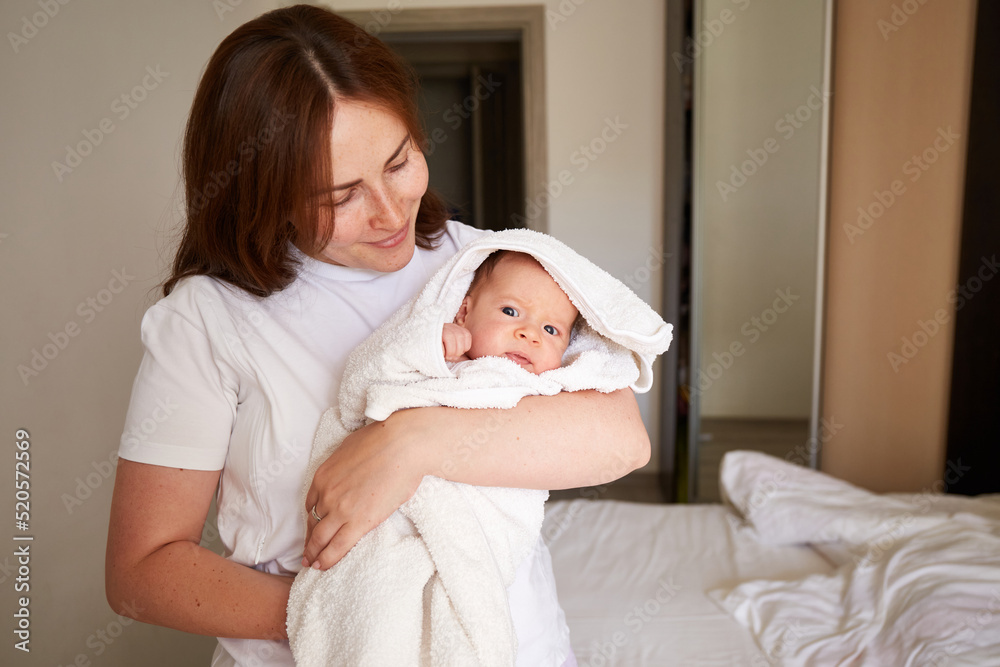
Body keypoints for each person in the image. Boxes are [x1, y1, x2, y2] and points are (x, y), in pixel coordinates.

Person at [104, 5, 650, 667]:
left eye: (399, 162)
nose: (391, 214)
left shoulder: (487, 266)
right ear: (264, 193)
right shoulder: (208, 320)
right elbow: (141, 571)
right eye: (340, 196)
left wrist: (408, 443)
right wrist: (363, 617)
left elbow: (622, 439)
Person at [443, 250, 580, 374]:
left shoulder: (559, 385)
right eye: (510, 312)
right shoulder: (445, 355)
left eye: (550, 330)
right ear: (464, 313)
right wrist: (436, 340)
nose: (531, 334)